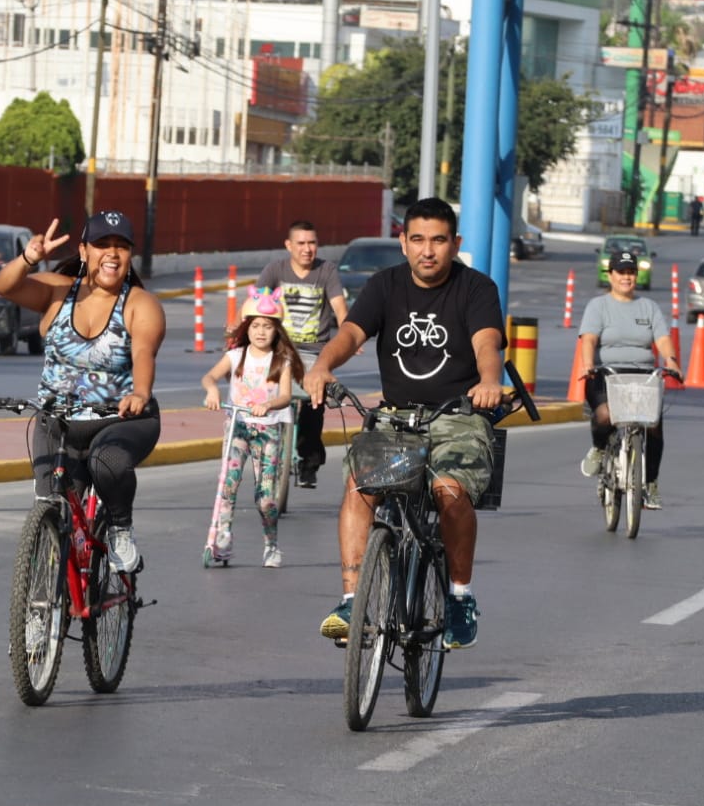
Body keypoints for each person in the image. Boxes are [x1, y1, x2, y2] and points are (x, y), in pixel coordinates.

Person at [303, 197, 505, 650]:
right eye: (417, 240)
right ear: (403, 242)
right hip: (396, 418)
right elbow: (351, 333)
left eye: (438, 240)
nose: (427, 250)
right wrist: (321, 367)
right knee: (360, 485)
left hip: (456, 417)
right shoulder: (385, 285)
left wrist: (489, 381)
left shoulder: (476, 288)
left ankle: (459, 597)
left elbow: (487, 343)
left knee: (449, 491)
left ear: (456, 243)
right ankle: (352, 601)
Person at [0, 211, 166, 573]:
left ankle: (120, 528)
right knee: (51, 509)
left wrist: (140, 391)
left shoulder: (139, 304)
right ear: (84, 251)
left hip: (120, 419)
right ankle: (44, 603)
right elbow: (4, 287)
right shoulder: (56, 291)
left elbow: (144, 352)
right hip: (58, 421)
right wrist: (28, 258)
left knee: (107, 463)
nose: (112, 254)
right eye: (103, 245)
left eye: (121, 247)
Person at [199, 287, 304, 569]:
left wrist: (269, 405)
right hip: (238, 428)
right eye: (255, 325)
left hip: (268, 432)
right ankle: (222, 540)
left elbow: (285, 395)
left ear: (276, 330)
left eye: (267, 326)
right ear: (247, 328)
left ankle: (271, 544)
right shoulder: (236, 357)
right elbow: (209, 376)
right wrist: (212, 391)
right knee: (228, 484)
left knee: (266, 498)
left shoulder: (282, 361)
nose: (260, 331)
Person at [577, 249, 680, 510]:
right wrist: (588, 364)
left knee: (653, 423)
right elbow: (588, 338)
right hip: (606, 373)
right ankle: (600, 449)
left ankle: (651, 484)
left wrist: (671, 360)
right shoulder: (598, 306)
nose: (626, 277)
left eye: (631, 272)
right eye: (621, 272)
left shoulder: (649, 307)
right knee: (604, 415)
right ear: (610, 275)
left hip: (643, 376)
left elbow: (663, 339)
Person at [257, 220, 348, 488]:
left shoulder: (327, 270)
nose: (307, 249)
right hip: (279, 348)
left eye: (312, 243)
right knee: (263, 394)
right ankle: (263, 451)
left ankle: (309, 464)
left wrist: (349, 332)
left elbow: (340, 307)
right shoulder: (275, 270)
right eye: (301, 243)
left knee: (313, 405)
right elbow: (257, 304)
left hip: (315, 353)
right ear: (289, 245)